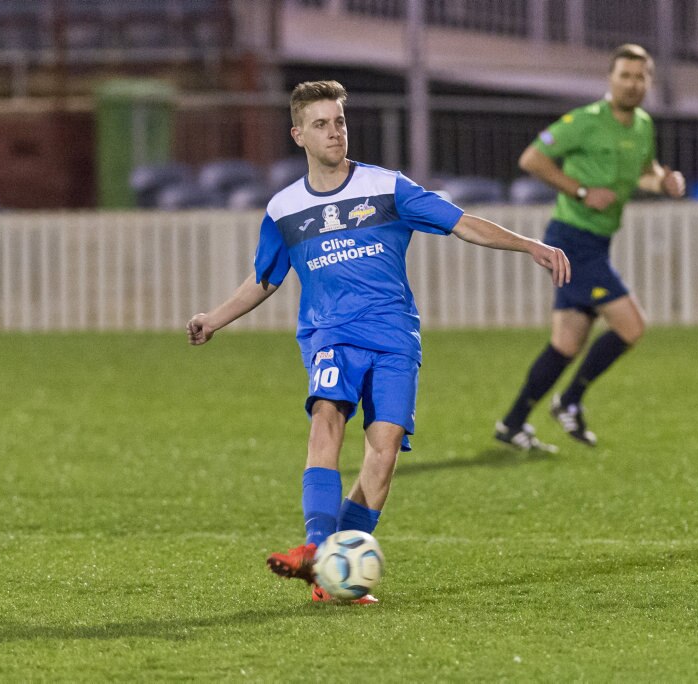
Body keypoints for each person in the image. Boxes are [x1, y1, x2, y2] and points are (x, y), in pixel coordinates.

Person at [186, 80, 569, 604]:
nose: (334, 133)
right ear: (298, 134)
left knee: (383, 453)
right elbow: (264, 280)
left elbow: (462, 224)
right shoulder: (283, 208)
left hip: (393, 337)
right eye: (320, 124)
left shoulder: (386, 188)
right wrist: (214, 318)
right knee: (326, 419)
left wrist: (531, 246)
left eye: (339, 122)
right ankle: (318, 550)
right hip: (330, 335)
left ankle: (330, 569)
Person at [495, 44, 685, 451]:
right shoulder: (584, 121)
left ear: (649, 82)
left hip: (596, 243)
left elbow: (646, 174)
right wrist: (581, 190)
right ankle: (570, 401)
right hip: (570, 240)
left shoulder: (643, 126)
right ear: (610, 79)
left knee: (566, 343)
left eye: (641, 77)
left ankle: (512, 424)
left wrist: (664, 183)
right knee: (632, 326)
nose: (633, 84)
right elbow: (532, 159)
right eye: (625, 76)